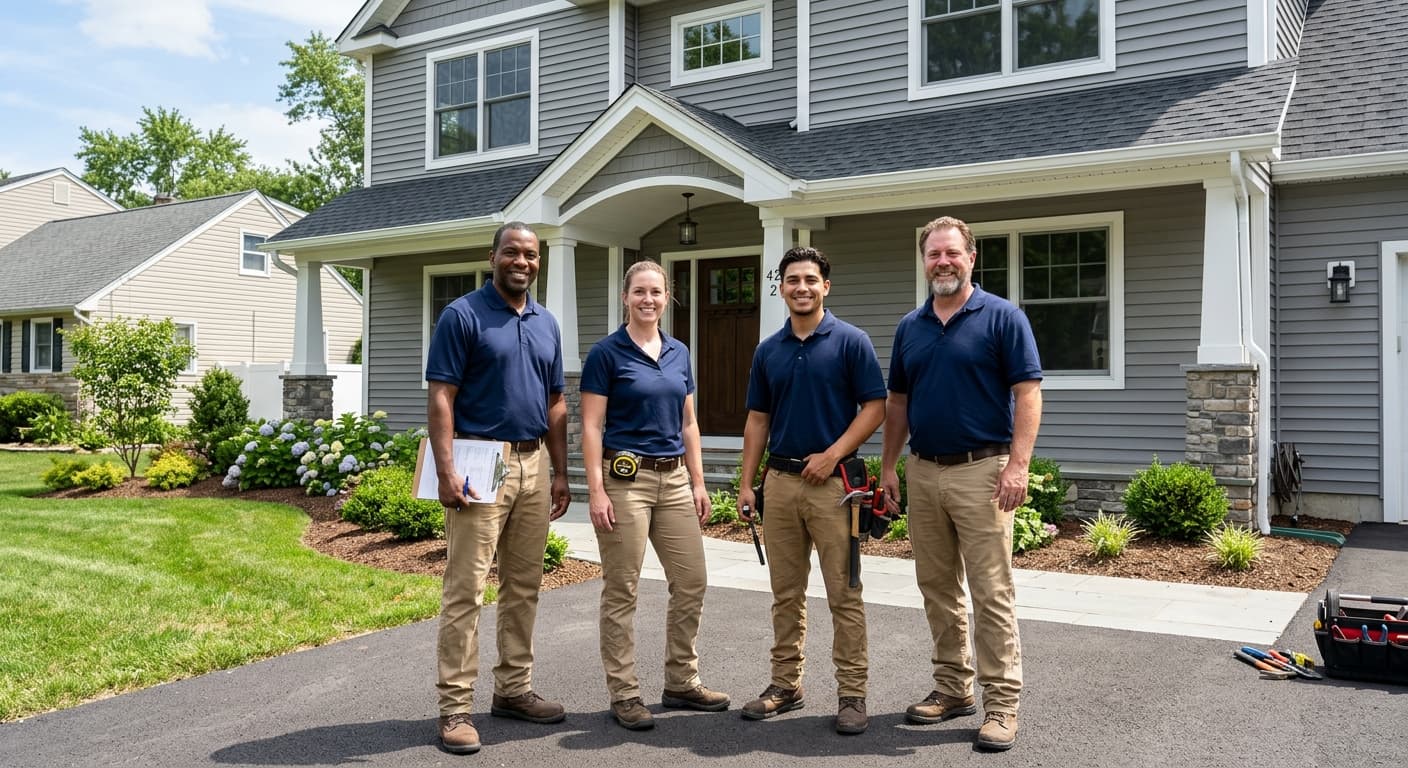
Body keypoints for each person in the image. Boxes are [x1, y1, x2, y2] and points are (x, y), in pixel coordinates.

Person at [880, 215, 1043, 752]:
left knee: (991, 592)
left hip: (984, 472)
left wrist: (1018, 466)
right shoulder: (912, 326)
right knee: (938, 588)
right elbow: (898, 403)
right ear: (924, 261)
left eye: (952, 253)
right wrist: (888, 467)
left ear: (972, 258)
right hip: (924, 470)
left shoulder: (1002, 318)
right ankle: (953, 688)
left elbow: (1027, 393)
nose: (943, 262)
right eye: (934, 255)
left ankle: (1002, 704)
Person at [425, 221, 572, 755]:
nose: (522, 261)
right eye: (512, 252)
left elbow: (557, 402)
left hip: (534, 461)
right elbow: (442, 394)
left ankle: (513, 690)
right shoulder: (462, 315)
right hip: (479, 461)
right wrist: (445, 469)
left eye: (531, 255)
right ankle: (455, 708)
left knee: (524, 585)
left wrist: (561, 470)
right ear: (493, 257)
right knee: (466, 588)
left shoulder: (546, 322)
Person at [736, 246, 887, 735]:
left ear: (826, 286)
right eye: (791, 280)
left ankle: (852, 695)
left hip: (834, 487)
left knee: (844, 594)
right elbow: (758, 419)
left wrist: (834, 453)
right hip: (779, 485)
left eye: (810, 279)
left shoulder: (850, 342)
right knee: (786, 594)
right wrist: (747, 484)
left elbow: (874, 407)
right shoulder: (768, 350)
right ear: (780, 287)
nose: (801, 287)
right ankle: (785, 685)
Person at [580, 260, 731, 731]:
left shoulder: (678, 352)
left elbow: (689, 422)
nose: (649, 299)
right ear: (625, 297)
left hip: (675, 479)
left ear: (668, 299)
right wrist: (597, 491)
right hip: (626, 481)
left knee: (692, 581)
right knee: (622, 588)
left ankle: (681, 681)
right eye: (640, 291)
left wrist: (699, 480)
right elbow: (590, 425)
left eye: (657, 292)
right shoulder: (606, 354)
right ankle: (624, 693)